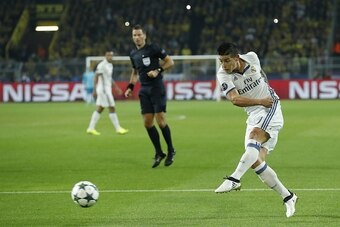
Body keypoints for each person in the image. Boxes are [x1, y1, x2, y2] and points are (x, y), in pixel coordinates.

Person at [214, 42, 298, 218]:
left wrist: (266, 92)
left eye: (227, 61)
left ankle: (234, 179)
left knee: (253, 139)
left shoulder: (252, 57)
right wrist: (259, 101)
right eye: (221, 61)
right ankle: (288, 197)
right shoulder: (223, 75)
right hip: (254, 113)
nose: (224, 65)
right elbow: (235, 100)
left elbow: (262, 74)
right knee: (255, 161)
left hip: (270, 109)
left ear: (237, 58)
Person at [124, 24, 176, 168]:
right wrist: (130, 87)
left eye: (139, 34)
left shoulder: (154, 48)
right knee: (147, 123)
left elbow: (170, 61)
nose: (137, 37)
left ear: (144, 35)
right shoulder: (133, 54)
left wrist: (158, 70)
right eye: (134, 35)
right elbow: (135, 72)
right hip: (144, 90)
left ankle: (171, 150)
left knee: (161, 121)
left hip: (156, 88)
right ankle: (159, 152)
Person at [86, 50, 128, 135]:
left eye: (111, 55)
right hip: (103, 90)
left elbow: (109, 78)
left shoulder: (110, 65)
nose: (110, 57)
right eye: (108, 55)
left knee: (100, 108)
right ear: (105, 55)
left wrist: (116, 87)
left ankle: (91, 128)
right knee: (112, 107)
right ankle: (118, 128)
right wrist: (94, 90)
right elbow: (96, 77)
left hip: (107, 89)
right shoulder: (102, 65)